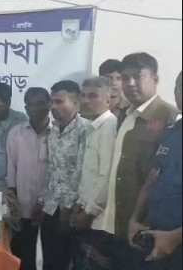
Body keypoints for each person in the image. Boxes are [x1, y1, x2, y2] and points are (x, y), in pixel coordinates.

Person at [96, 53, 179, 270]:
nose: (130, 83)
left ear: (155, 79)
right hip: (119, 223)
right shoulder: (124, 115)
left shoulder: (169, 116)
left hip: (149, 227)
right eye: (125, 78)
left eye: (138, 77)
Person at [129, 71, 182, 270]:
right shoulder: (172, 131)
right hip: (157, 235)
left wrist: (175, 237)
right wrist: (134, 219)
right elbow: (152, 179)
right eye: (180, 87)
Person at [40, 80, 88, 270]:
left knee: (66, 260)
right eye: (52, 102)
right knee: (49, 260)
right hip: (51, 206)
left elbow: (81, 171)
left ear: (76, 103)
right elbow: (52, 169)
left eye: (59, 102)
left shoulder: (86, 129)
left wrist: (68, 209)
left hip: (72, 210)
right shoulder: (53, 130)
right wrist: (42, 202)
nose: (53, 107)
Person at [73, 77, 118, 270]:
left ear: (108, 100)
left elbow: (106, 176)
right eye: (83, 95)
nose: (86, 101)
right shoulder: (93, 127)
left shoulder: (109, 126)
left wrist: (89, 212)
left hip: (98, 219)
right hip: (86, 213)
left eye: (93, 96)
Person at [6, 87, 51, 270]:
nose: (36, 108)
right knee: (24, 253)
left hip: (50, 207)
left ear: (49, 105)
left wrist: (44, 201)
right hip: (23, 205)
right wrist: (14, 203)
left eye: (41, 103)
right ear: (26, 108)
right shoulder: (16, 133)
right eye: (31, 105)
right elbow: (11, 169)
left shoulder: (59, 133)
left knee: (50, 253)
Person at [99, 59, 130, 126]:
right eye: (109, 78)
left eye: (119, 78)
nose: (114, 83)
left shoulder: (130, 108)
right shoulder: (94, 105)